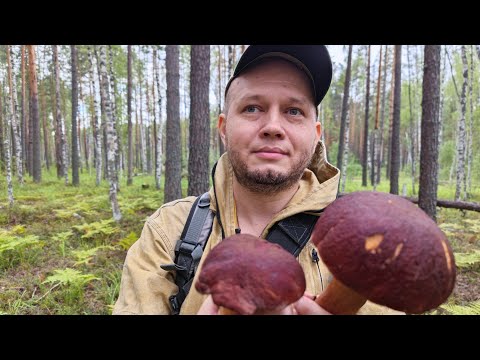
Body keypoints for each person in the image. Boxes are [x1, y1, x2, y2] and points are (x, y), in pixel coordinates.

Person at [113, 45, 403, 315]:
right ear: (224, 128)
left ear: (316, 134)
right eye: (252, 108)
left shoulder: (369, 242)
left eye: (294, 111)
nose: (273, 127)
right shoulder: (169, 230)